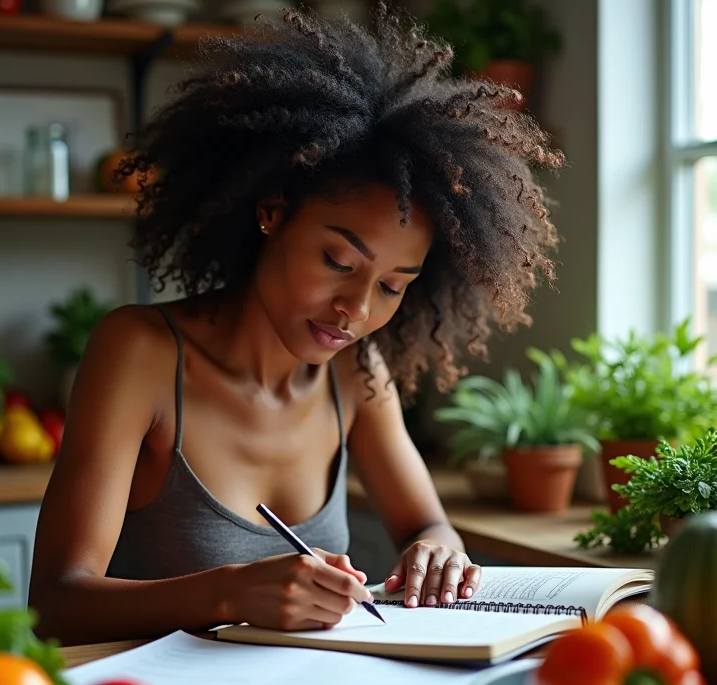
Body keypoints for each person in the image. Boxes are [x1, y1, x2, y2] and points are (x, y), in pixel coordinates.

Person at [28, 2, 563, 646]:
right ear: (273, 212)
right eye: (338, 261)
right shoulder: (141, 354)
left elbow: (429, 524)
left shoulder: (358, 374)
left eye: (394, 285)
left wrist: (437, 552)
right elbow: (55, 603)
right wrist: (229, 592)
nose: (358, 310)